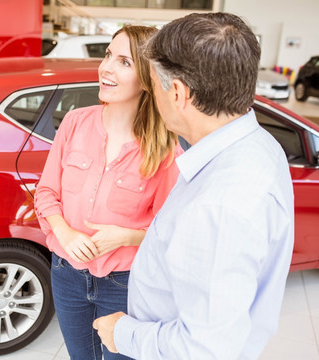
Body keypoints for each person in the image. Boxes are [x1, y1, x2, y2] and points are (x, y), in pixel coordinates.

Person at [92, 12, 295, 360]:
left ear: (178, 93)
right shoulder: (256, 145)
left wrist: (121, 334)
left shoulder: (219, 206)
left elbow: (203, 349)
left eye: (153, 86)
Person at [34, 25, 183, 360]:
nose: (106, 68)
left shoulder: (165, 150)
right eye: (107, 56)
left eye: (124, 62)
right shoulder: (74, 123)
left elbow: (172, 232)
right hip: (66, 273)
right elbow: (45, 193)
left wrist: (126, 237)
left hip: (124, 284)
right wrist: (65, 232)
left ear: (147, 78)